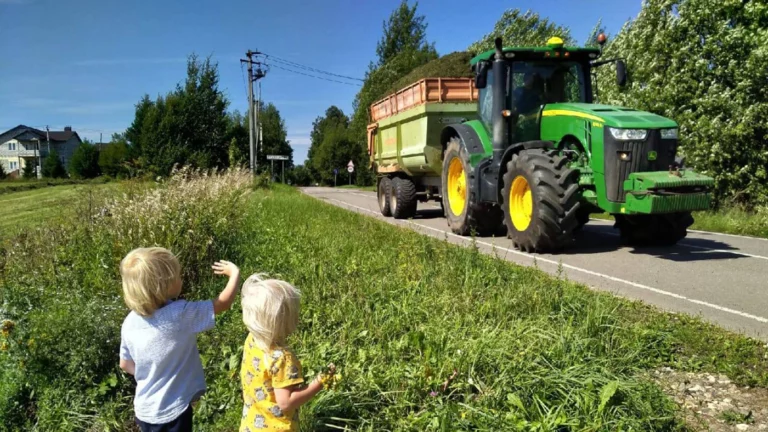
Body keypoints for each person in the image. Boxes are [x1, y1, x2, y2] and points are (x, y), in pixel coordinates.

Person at [118, 247, 241, 432]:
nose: (181, 278)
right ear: (163, 285)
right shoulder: (179, 314)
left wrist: (154, 374)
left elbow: (125, 364)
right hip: (172, 412)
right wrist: (235, 274)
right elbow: (223, 303)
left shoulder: (129, 322)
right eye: (177, 276)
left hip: (144, 410)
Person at [239, 274, 336, 431]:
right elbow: (286, 403)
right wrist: (320, 382)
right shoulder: (282, 359)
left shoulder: (252, 340)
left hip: (252, 424)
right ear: (283, 322)